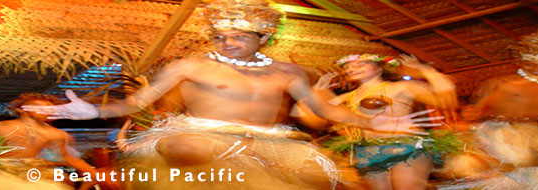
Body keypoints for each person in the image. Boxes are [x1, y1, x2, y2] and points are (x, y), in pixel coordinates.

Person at [23, 0, 436, 189]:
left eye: (238, 35)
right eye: (221, 35)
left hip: (270, 142)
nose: (228, 41)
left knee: (316, 178)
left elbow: (321, 108)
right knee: (187, 148)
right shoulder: (191, 64)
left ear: (263, 36)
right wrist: (90, 112)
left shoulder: (289, 71)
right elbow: (134, 104)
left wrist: (370, 121)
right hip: (203, 134)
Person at [439, 28, 538, 189]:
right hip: (508, 134)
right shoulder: (510, 87)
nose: (537, 69)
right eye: (532, 64)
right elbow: (476, 112)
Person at [312, 54, 458, 190]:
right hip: (368, 150)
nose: (352, 68)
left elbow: (445, 101)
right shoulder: (347, 97)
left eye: (361, 63)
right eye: (348, 66)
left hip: (406, 146)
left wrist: (427, 71)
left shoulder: (401, 87)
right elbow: (318, 117)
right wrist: (318, 93)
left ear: (379, 67)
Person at [0, 93, 119, 190]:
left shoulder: (57, 134)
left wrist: (94, 174)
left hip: (33, 176)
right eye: (36, 106)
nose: (43, 110)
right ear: (21, 109)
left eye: (48, 108)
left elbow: (66, 157)